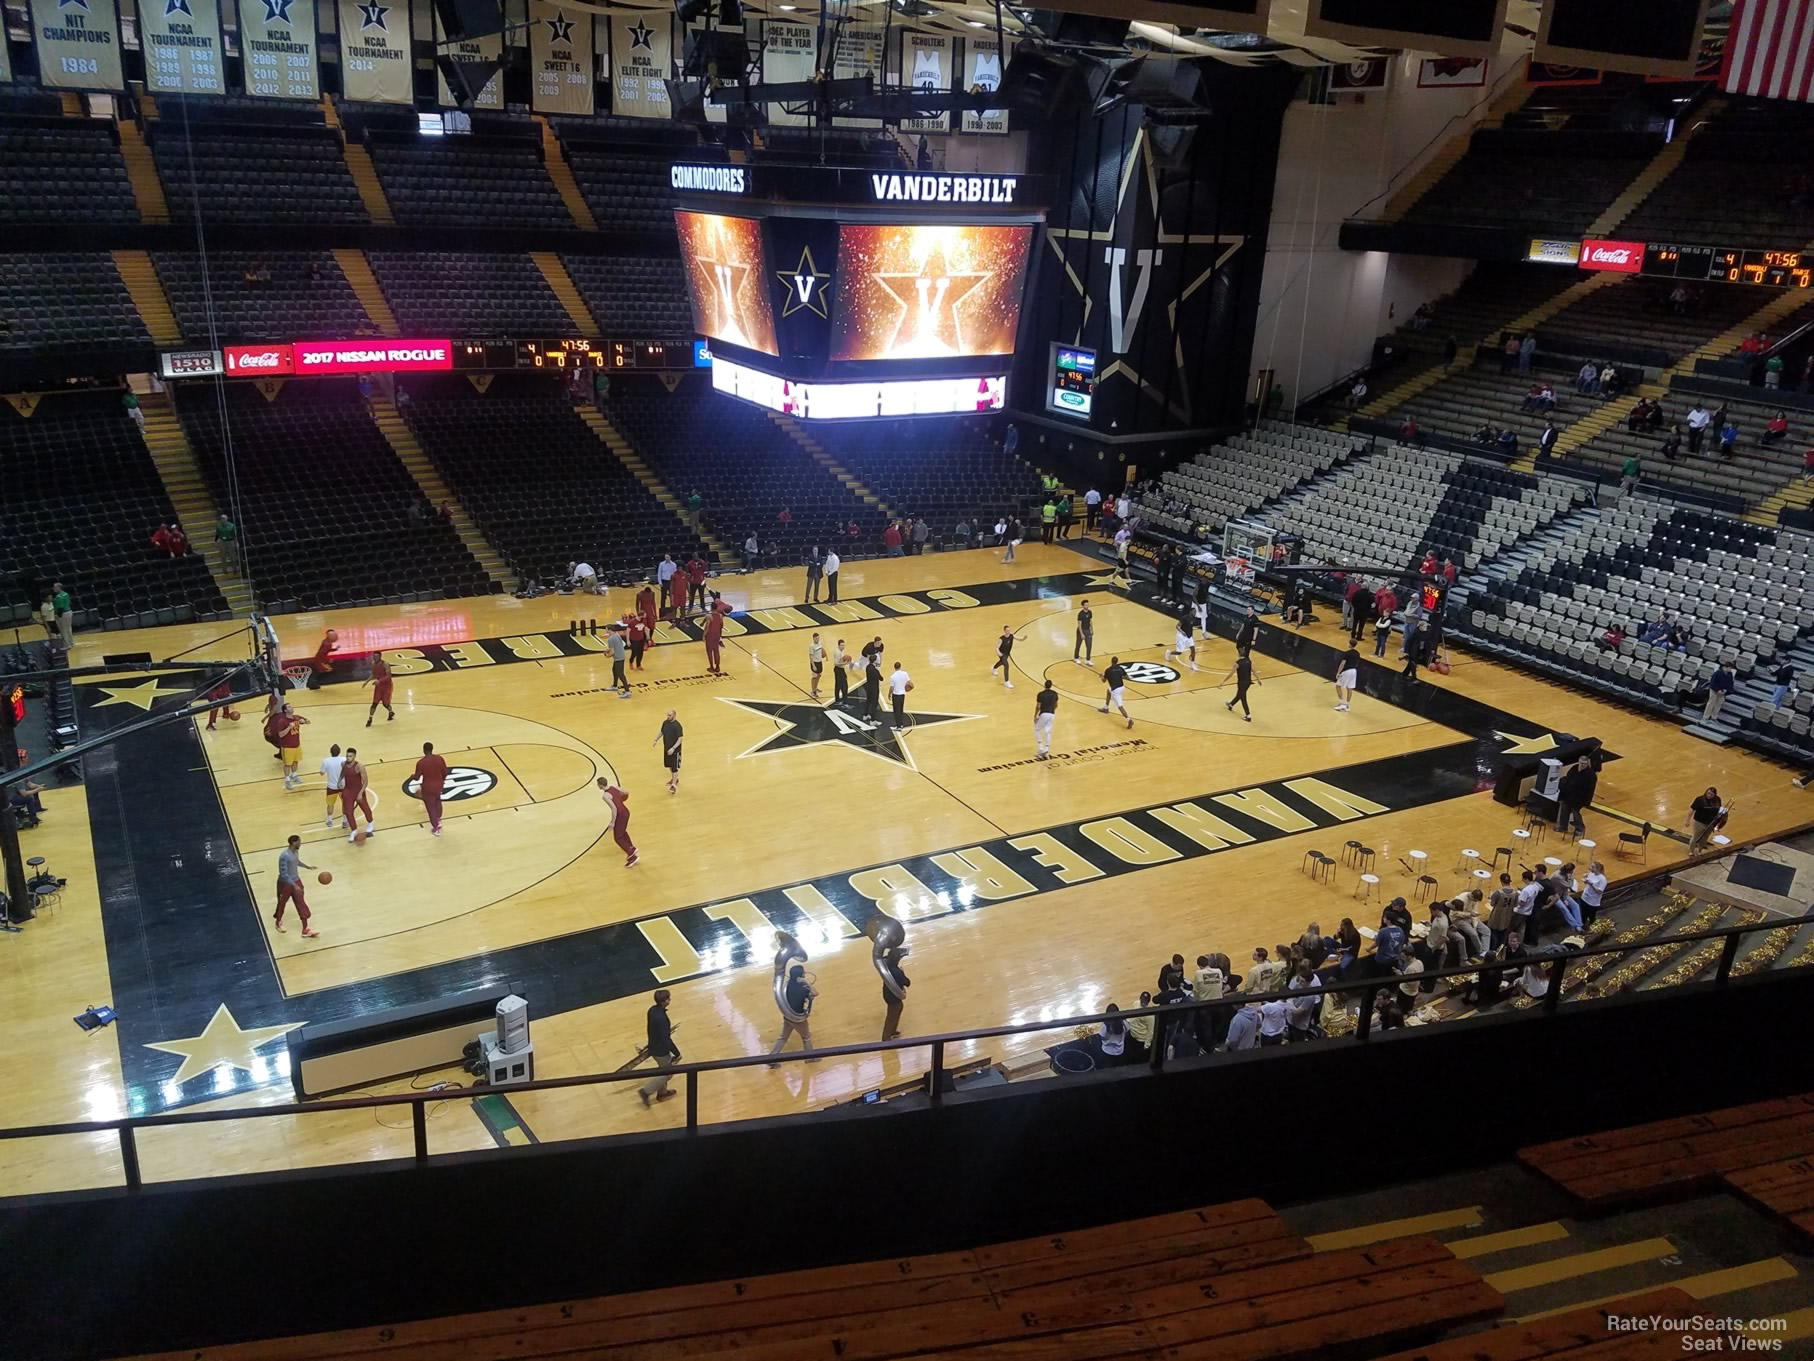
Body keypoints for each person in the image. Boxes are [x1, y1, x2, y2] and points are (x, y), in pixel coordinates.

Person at [639, 989, 680, 1107]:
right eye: (669, 998)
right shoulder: (662, 1019)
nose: (670, 1000)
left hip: (653, 1045)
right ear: (665, 1001)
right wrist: (676, 1053)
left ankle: (662, 1093)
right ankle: (646, 1091)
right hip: (661, 1050)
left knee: (663, 1070)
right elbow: (666, 1038)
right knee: (668, 1073)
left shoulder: (652, 1010)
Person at [274, 835, 320, 937]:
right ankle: (278, 922)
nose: (300, 843)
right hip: (285, 884)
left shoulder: (296, 852)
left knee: (301, 903)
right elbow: (284, 874)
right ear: (294, 842)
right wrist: (294, 885)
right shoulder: (284, 856)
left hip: (296, 881)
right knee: (282, 904)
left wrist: (307, 867)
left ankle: (305, 929)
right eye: (299, 842)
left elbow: (296, 862)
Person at [411, 740, 449, 835]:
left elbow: (417, 777)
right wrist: (442, 781)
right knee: (438, 801)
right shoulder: (440, 759)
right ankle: (439, 820)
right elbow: (445, 772)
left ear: (424, 750)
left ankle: (436, 828)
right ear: (432, 749)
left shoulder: (421, 762)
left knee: (431, 807)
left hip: (428, 787)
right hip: (439, 785)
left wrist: (412, 776)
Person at [598, 777, 638, 867]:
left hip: (620, 815)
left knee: (618, 838)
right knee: (623, 832)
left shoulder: (605, 796)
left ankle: (631, 853)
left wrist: (612, 822)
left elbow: (614, 809)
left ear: (600, 785)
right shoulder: (613, 787)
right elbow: (626, 792)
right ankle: (631, 849)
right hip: (626, 811)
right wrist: (622, 798)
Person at [1555, 754, 1596, 836]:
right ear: (1579, 762)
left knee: (1576, 814)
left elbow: (1591, 789)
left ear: (1587, 763)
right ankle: (1563, 827)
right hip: (1568, 795)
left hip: (1579, 798)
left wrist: (1587, 801)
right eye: (1581, 763)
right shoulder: (1574, 768)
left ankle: (1580, 829)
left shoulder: (1591, 774)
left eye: (1585, 764)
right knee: (1564, 812)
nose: (1583, 765)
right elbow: (1567, 778)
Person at [341, 747, 375, 841]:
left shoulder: (359, 766)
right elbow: (342, 773)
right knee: (348, 811)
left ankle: (371, 822)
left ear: (355, 756)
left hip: (358, 790)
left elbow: (365, 781)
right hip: (348, 791)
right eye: (347, 756)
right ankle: (354, 830)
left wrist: (361, 793)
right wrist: (339, 781)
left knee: (365, 808)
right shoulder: (343, 764)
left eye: (350, 756)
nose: (348, 758)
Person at [275, 704, 308, 790]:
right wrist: (289, 727)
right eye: (289, 707)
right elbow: (280, 735)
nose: (291, 707)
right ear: (285, 710)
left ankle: (294, 775)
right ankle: (287, 779)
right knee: (287, 764)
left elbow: (307, 721)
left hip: (297, 744)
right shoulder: (282, 721)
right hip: (287, 746)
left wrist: (305, 721)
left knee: (296, 761)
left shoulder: (296, 717)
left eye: (291, 706)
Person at [360, 654, 395, 727]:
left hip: (387, 686)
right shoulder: (373, 664)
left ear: (380, 657)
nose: (375, 658)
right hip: (379, 686)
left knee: (385, 704)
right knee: (374, 703)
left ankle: (391, 712)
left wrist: (379, 681)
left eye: (376, 657)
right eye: (374, 657)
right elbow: (373, 675)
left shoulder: (385, 664)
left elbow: (389, 676)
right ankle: (370, 719)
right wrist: (366, 681)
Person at [1687, 786, 1724, 854]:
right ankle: (1691, 851)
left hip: (1710, 822)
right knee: (1696, 836)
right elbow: (1692, 809)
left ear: (1714, 795)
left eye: (1711, 794)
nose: (1709, 795)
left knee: (1705, 837)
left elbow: (1719, 810)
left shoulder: (1718, 800)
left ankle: (1700, 849)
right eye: (1708, 793)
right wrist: (1687, 820)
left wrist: (1718, 822)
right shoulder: (1699, 799)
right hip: (1699, 822)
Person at [1223, 647, 1257, 721]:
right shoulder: (1248, 661)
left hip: (1241, 683)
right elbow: (1253, 670)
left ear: (1238, 654)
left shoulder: (1237, 663)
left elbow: (1231, 674)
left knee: (1243, 698)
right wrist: (1258, 679)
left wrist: (1223, 681)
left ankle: (1248, 715)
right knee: (1240, 694)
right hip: (1248, 682)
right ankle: (1231, 704)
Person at [655, 709, 683, 795]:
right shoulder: (665, 722)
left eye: (670, 715)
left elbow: (680, 738)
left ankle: (674, 785)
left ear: (674, 715)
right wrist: (656, 739)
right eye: (667, 715)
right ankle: (675, 779)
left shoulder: (677, 726)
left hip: (674, 751)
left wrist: (673, 748)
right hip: (667, 749)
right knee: (669, 765)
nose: (668, 717)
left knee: (674, 767)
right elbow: (662, 731)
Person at [1100, 656, 1133, 729]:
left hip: (1116, 690)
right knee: (1108, 690)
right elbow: (1127, 677)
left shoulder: (1108, 670)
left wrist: (1101, 676)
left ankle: (1129, 719)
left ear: (1111, 661)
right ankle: (1106, 708)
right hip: (1122, 687)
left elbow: (1104, 681)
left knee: (1120, 706)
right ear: (1117, 661)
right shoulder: (1120, 668)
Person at [1166, 603, 1200, 673]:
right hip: (1181, 636)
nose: (1195, 613)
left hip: (1189, 636)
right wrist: (1182, 632)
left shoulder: (1194, 619)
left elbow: (1190, 628)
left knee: (1193, 650)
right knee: (1179, 652)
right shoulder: (1185, 617)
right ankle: (1169, 652)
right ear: (1190, 612)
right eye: (1194, 612)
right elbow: (1177, 626)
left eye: (1195, 612)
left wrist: (1191, 636)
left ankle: (1192, 664)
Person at [320, 744, 347, 828]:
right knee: (345, 804)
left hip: (331, 787)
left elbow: (321, 773)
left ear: (330, 752)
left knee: (330, 804)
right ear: (339, 752)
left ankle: (329, 820)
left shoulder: (326, 761)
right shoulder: (344, 760)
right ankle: (345, 821)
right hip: (342, 786)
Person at [1033, 678, 1060, 760]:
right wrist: (1052, 710)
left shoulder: (1041, 694)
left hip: (1044, 713)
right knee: (1048, 732)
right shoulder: (1055, 694)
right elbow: (1056, 705)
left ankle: (1040, 748)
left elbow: (1038, 706)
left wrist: (1035, 716)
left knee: (1037, 729)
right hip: (1052, 714)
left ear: (1044, 685)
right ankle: (1046, 750)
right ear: (1051, 686)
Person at [1333, 642, 1360, 712]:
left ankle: (1342, 703)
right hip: (1354, 671)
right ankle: (1347, 705)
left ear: (1350, 644)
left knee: (1338, 686)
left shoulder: (1347, 653)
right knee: (1349, 688)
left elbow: (1342, 663)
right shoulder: (1358, 653)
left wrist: (1338, 672)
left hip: (1347, 671)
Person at [888, 661, 913, 728]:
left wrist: (889, 694)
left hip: (896, 695)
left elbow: (892, 687)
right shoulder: (905, 674)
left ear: (894, 667)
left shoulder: (892, 677)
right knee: (901, 710)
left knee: (896, 711)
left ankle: (898, 726)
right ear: (900, 666)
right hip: (902, 695)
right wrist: (908, 688)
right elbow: (911, 684)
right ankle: (901, 724)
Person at [991, 624, 1016, 689]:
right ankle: (1006, 682)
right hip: (1002, 654)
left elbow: (1018, 638)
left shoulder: (1011, 636)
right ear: (1004, 631)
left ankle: (994, 668)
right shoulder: (1001, 639)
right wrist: (999, 653)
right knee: (1006, 665)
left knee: (1002, 662)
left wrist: (1023, 638)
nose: (1008, 631)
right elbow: (997, 647)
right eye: (1007, 630)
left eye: (1009, 630)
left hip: (1007, 653)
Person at [863, 651, 883, 722]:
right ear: (875, 661)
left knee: (868, 701)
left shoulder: (868, 667)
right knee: (874, 703)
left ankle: (865, 715)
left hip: (868, 687)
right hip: (874, 688)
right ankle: (873, 720)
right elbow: (881, 678)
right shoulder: (875, 670)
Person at [831, 638, 851, 707]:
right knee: (844, 686)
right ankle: (845, 701)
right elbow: (836, 663)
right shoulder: (838, 652)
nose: (843, 647)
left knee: (838, 685)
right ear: (838, 645)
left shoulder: (840, 651)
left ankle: (837, 700)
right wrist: (845, 663)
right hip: (839, 670)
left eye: (843, 645)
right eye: (841, 645)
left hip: (839, 670)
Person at [1074, 599, 1094, 665]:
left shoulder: (1090, 612)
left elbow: (1090, 621)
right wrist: (1081, 633)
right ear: (1083, 606)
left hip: (1087, 630)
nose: (1087, 606)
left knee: (1089, 645)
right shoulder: (1080, 614)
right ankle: (1076, 657)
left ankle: (1088, 659)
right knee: (1078, 644)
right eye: (1085, 605)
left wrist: (1092, 629)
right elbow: (1079, 624)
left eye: (1088, 604)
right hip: (1081, 630)